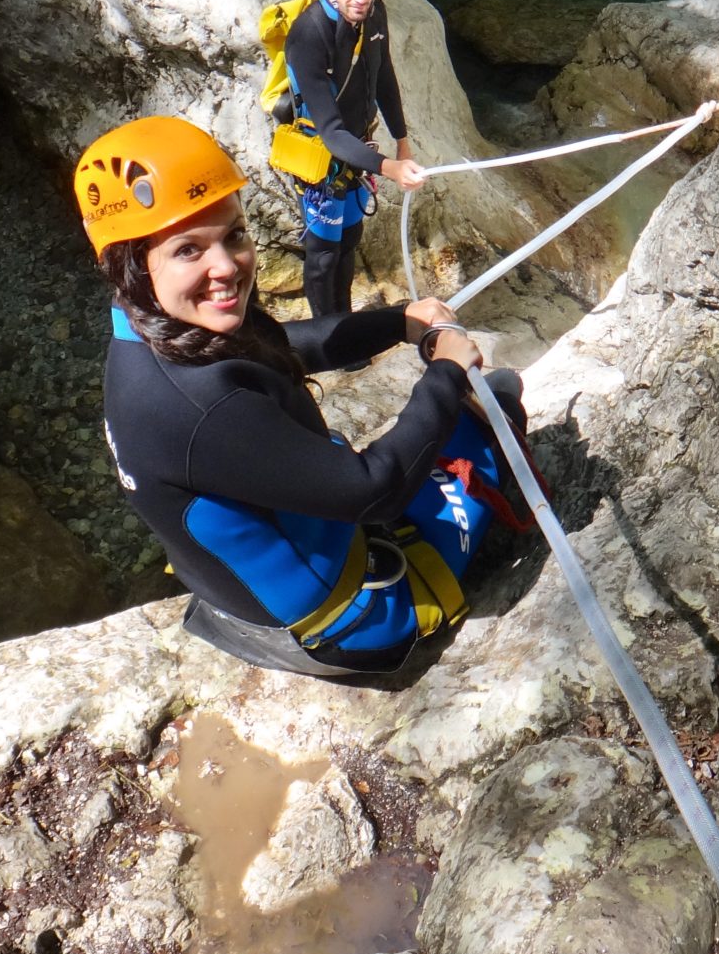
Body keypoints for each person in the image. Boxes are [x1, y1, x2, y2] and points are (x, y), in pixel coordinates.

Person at [75, 115, 521, 676]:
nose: (225, 267)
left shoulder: (149, 331)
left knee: (467, 412)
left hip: (253, 589)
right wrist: (447, 373)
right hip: (349, 619)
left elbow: (277, 346)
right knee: (498, 402)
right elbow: (374, 492)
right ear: (132, 265)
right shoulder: (199, 408)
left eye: (234, 235)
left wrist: (398, 322)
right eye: (188, 250)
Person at [281, 0, 426, 319]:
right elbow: (331, 131)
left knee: (348, 242)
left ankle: (344, 326)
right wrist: (389, 167)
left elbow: (383, 76)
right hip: (322, 155)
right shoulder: (308, 35)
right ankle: (325, 336)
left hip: (358, 152)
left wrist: (402, 141)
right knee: (323, 254)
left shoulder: (374, 14)